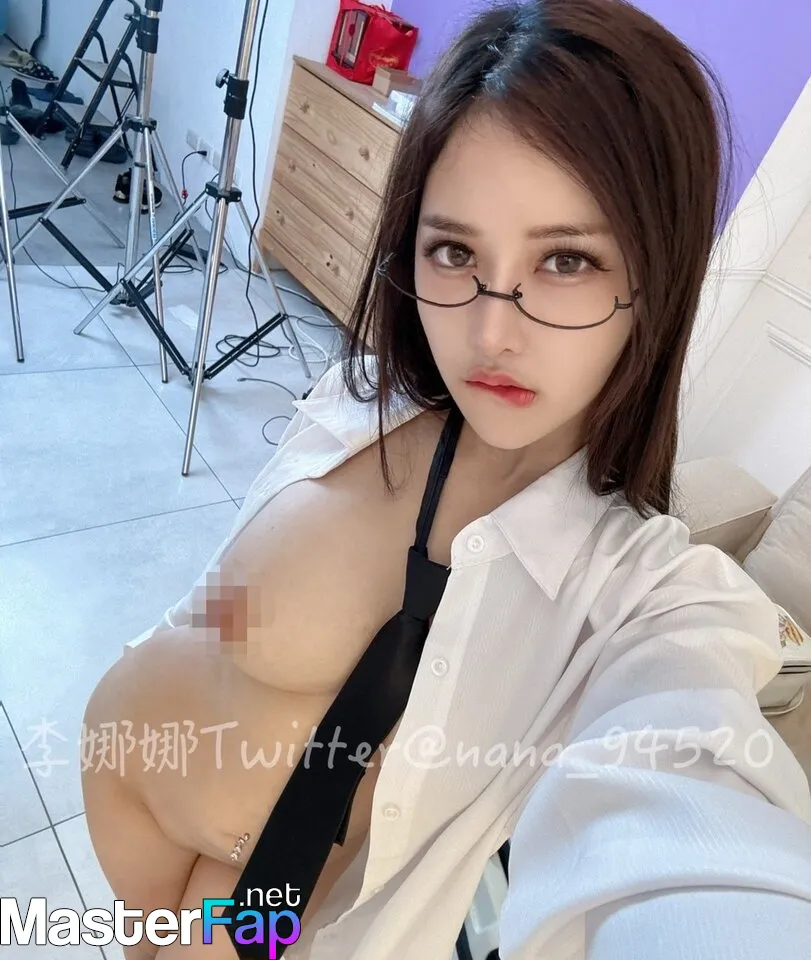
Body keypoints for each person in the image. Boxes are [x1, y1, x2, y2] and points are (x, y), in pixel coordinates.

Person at [82, 0, 811, 957]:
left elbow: (690, 822)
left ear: (655, 277)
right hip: (138, 844)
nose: (490, 330)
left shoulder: (641, 600)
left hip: (259, 915)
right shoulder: (360, 403)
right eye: (455, 251)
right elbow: (216, 613)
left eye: (565, 260)